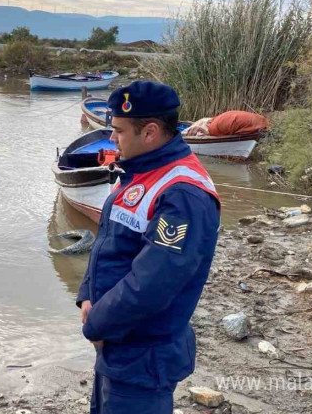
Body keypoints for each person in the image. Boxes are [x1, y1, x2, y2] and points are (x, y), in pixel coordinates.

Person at [77, 82, 221, 414]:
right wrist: (87, 294)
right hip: (117, 343)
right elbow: (108, 240)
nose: (112, 139)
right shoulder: (141, 171)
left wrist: (96, 324)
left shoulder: (182, 193)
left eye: (119, 131)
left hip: (144, 356)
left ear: (151, 132)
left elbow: (152, 284)